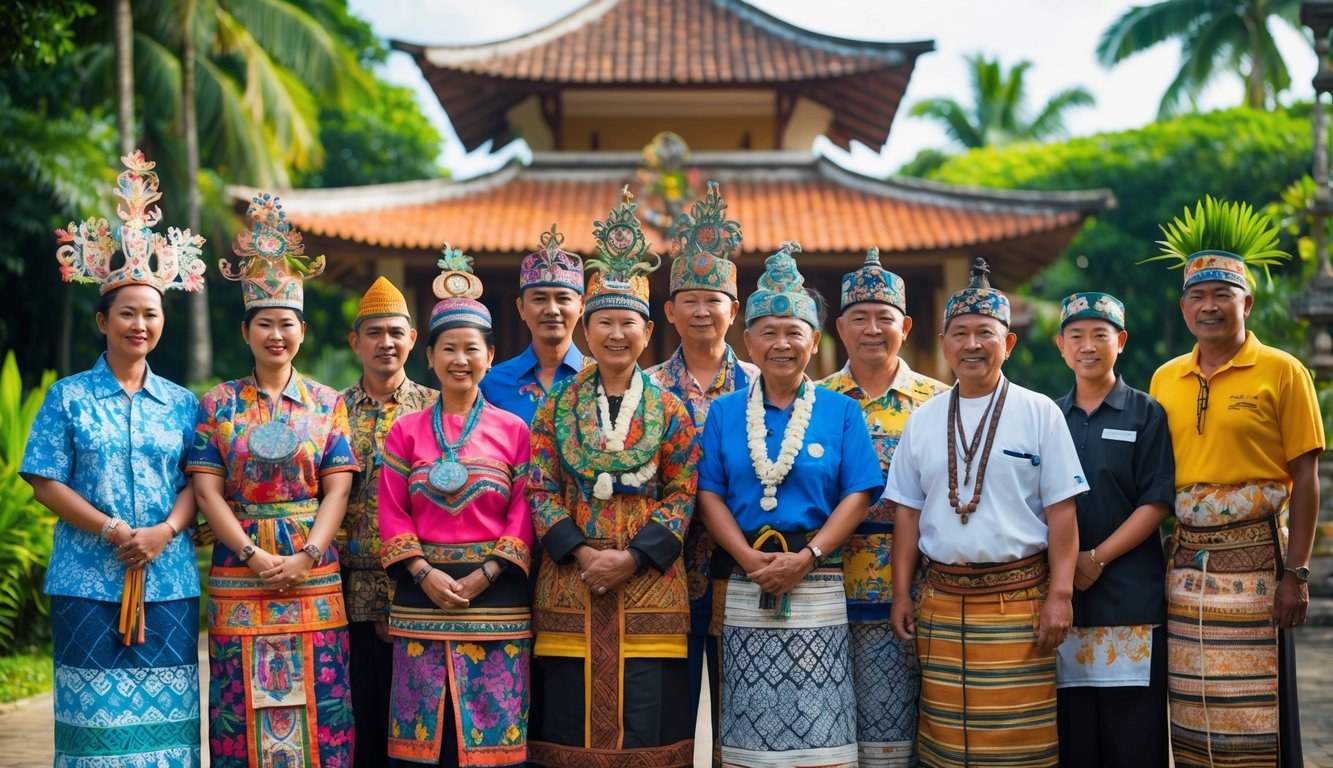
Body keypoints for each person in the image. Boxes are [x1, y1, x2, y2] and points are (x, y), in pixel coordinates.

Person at [23, 151, 206, 767]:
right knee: (92, 722)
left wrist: (164, 532)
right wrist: (109, 528)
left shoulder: (184, 404)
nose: (139, 323)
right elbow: (44, 479)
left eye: (150, 313)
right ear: (102, 320)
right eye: (126, 312)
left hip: (168, 580)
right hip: (85, 580)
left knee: (167, 727)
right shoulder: (68, 396)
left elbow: (197, 480)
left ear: (161, 323)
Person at [884, 258, 1088, 768]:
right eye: (960, 333)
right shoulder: (922, 419)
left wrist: (1060, 596)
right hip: (941, 603)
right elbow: (906, 515)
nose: (972, 344)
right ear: (943, 340)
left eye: (984, 333)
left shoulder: (1040, 412)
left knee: (1020, 744)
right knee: (946, 743)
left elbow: (1063, 513)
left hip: (1018, 603)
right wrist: (900, 593)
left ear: (1008, 343)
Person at [1146, 199, 1323, 768]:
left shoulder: (1283, 370)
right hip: (1187, 567)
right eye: (1197, 296)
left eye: (1221, 294)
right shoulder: (1164, 378)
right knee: (1193, 706)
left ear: (1246, 301)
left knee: (1259, 713)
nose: (1209, 307)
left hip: (1260, 566)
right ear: (1182, 308)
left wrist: (1295, 575)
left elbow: (1307, 479)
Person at [526, 190, 700, 767]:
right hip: (569, 586)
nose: (616, 333)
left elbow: (683, 489)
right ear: (585, 330)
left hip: (651, 584)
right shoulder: (554, 408)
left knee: (649, 725)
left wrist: (634, 558)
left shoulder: (672, 410)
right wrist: (581, 554)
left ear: (648, 333)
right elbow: (540, 487)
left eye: (629, 322)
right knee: (569, 726)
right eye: (605, 322)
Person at [697, 241, 884, 768]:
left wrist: (811, 557)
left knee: (819, 725)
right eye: (769, 333)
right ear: (748, 340)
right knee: (748, 734)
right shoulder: (725, 412)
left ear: (814, 341)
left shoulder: (841, 411)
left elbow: (859, 492)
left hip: (817, 578)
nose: (782, 344)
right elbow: (708, 492)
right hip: (746, 576)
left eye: (793, 332)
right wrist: (747, 558)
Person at [189, 194, 358, 767]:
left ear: (302, 330)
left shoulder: (328, 403)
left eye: (287, 323)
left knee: (324, 699)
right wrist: (251, 553)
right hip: (242, 570)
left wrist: (309, 552)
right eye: (265, 323)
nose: (276, 334)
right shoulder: (217, 404)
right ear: (246, 330)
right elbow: (208, 490)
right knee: (239, 701)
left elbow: (337, 486)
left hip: (314, 567)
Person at [378, 249, 534, 766]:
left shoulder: (514, 431)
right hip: (421, 599)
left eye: (472, 349)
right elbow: (393, 510)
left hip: (497, 600)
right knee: (423, 745)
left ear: (490, 356)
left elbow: (523, 510)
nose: (460, 360)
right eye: (449, 349)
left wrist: (485, 574)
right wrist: (422, 573)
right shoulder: (405, 431)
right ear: (430, 357)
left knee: (495, 741)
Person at [817, 247, 947, 767]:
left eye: (884, 318)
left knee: (894, 743)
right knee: (824, 739)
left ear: (906, 327)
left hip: (908, 595)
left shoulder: (938, 403)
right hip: (823, 591)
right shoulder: (817, 401)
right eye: (859, 319)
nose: (873, 329)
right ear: (840, 329)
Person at [644, 182, 757, 761]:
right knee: (670, 717)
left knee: (743, 719)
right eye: (689, 298)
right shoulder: (645, 390)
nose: (701, 310)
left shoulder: (765, 386)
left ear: (733, 311)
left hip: (748, 568)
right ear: (668, 311)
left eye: (714, 299)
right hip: (663, 572)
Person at [1051, 292, 1174, 767]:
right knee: (1074, 739)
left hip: (1130, 600)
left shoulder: (1146, 413)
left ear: (1120, 342)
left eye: (1100, 335)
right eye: (1076, 336)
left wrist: (1096, 557)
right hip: (1065, 601)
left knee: (1134, 740)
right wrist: (1068, 567)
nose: (1088, 346)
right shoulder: (1049, 418)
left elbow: (1157, 500)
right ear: (1061, 346)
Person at [340, 276, 438, 768]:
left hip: (424, 589)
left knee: (420, 726)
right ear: (356, 342)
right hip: (346, 594)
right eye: (374, 333)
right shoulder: (331, 411)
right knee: (358, 720)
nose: (386, 343)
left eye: (396, 332)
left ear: (413, 338)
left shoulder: (438, 409)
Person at [481, 225, 587, 423]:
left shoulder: (600, 378)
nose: (552, 309)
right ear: (521, 308)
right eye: (539, 299)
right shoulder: (491, 384)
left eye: (563, 298)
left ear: (581, 305)